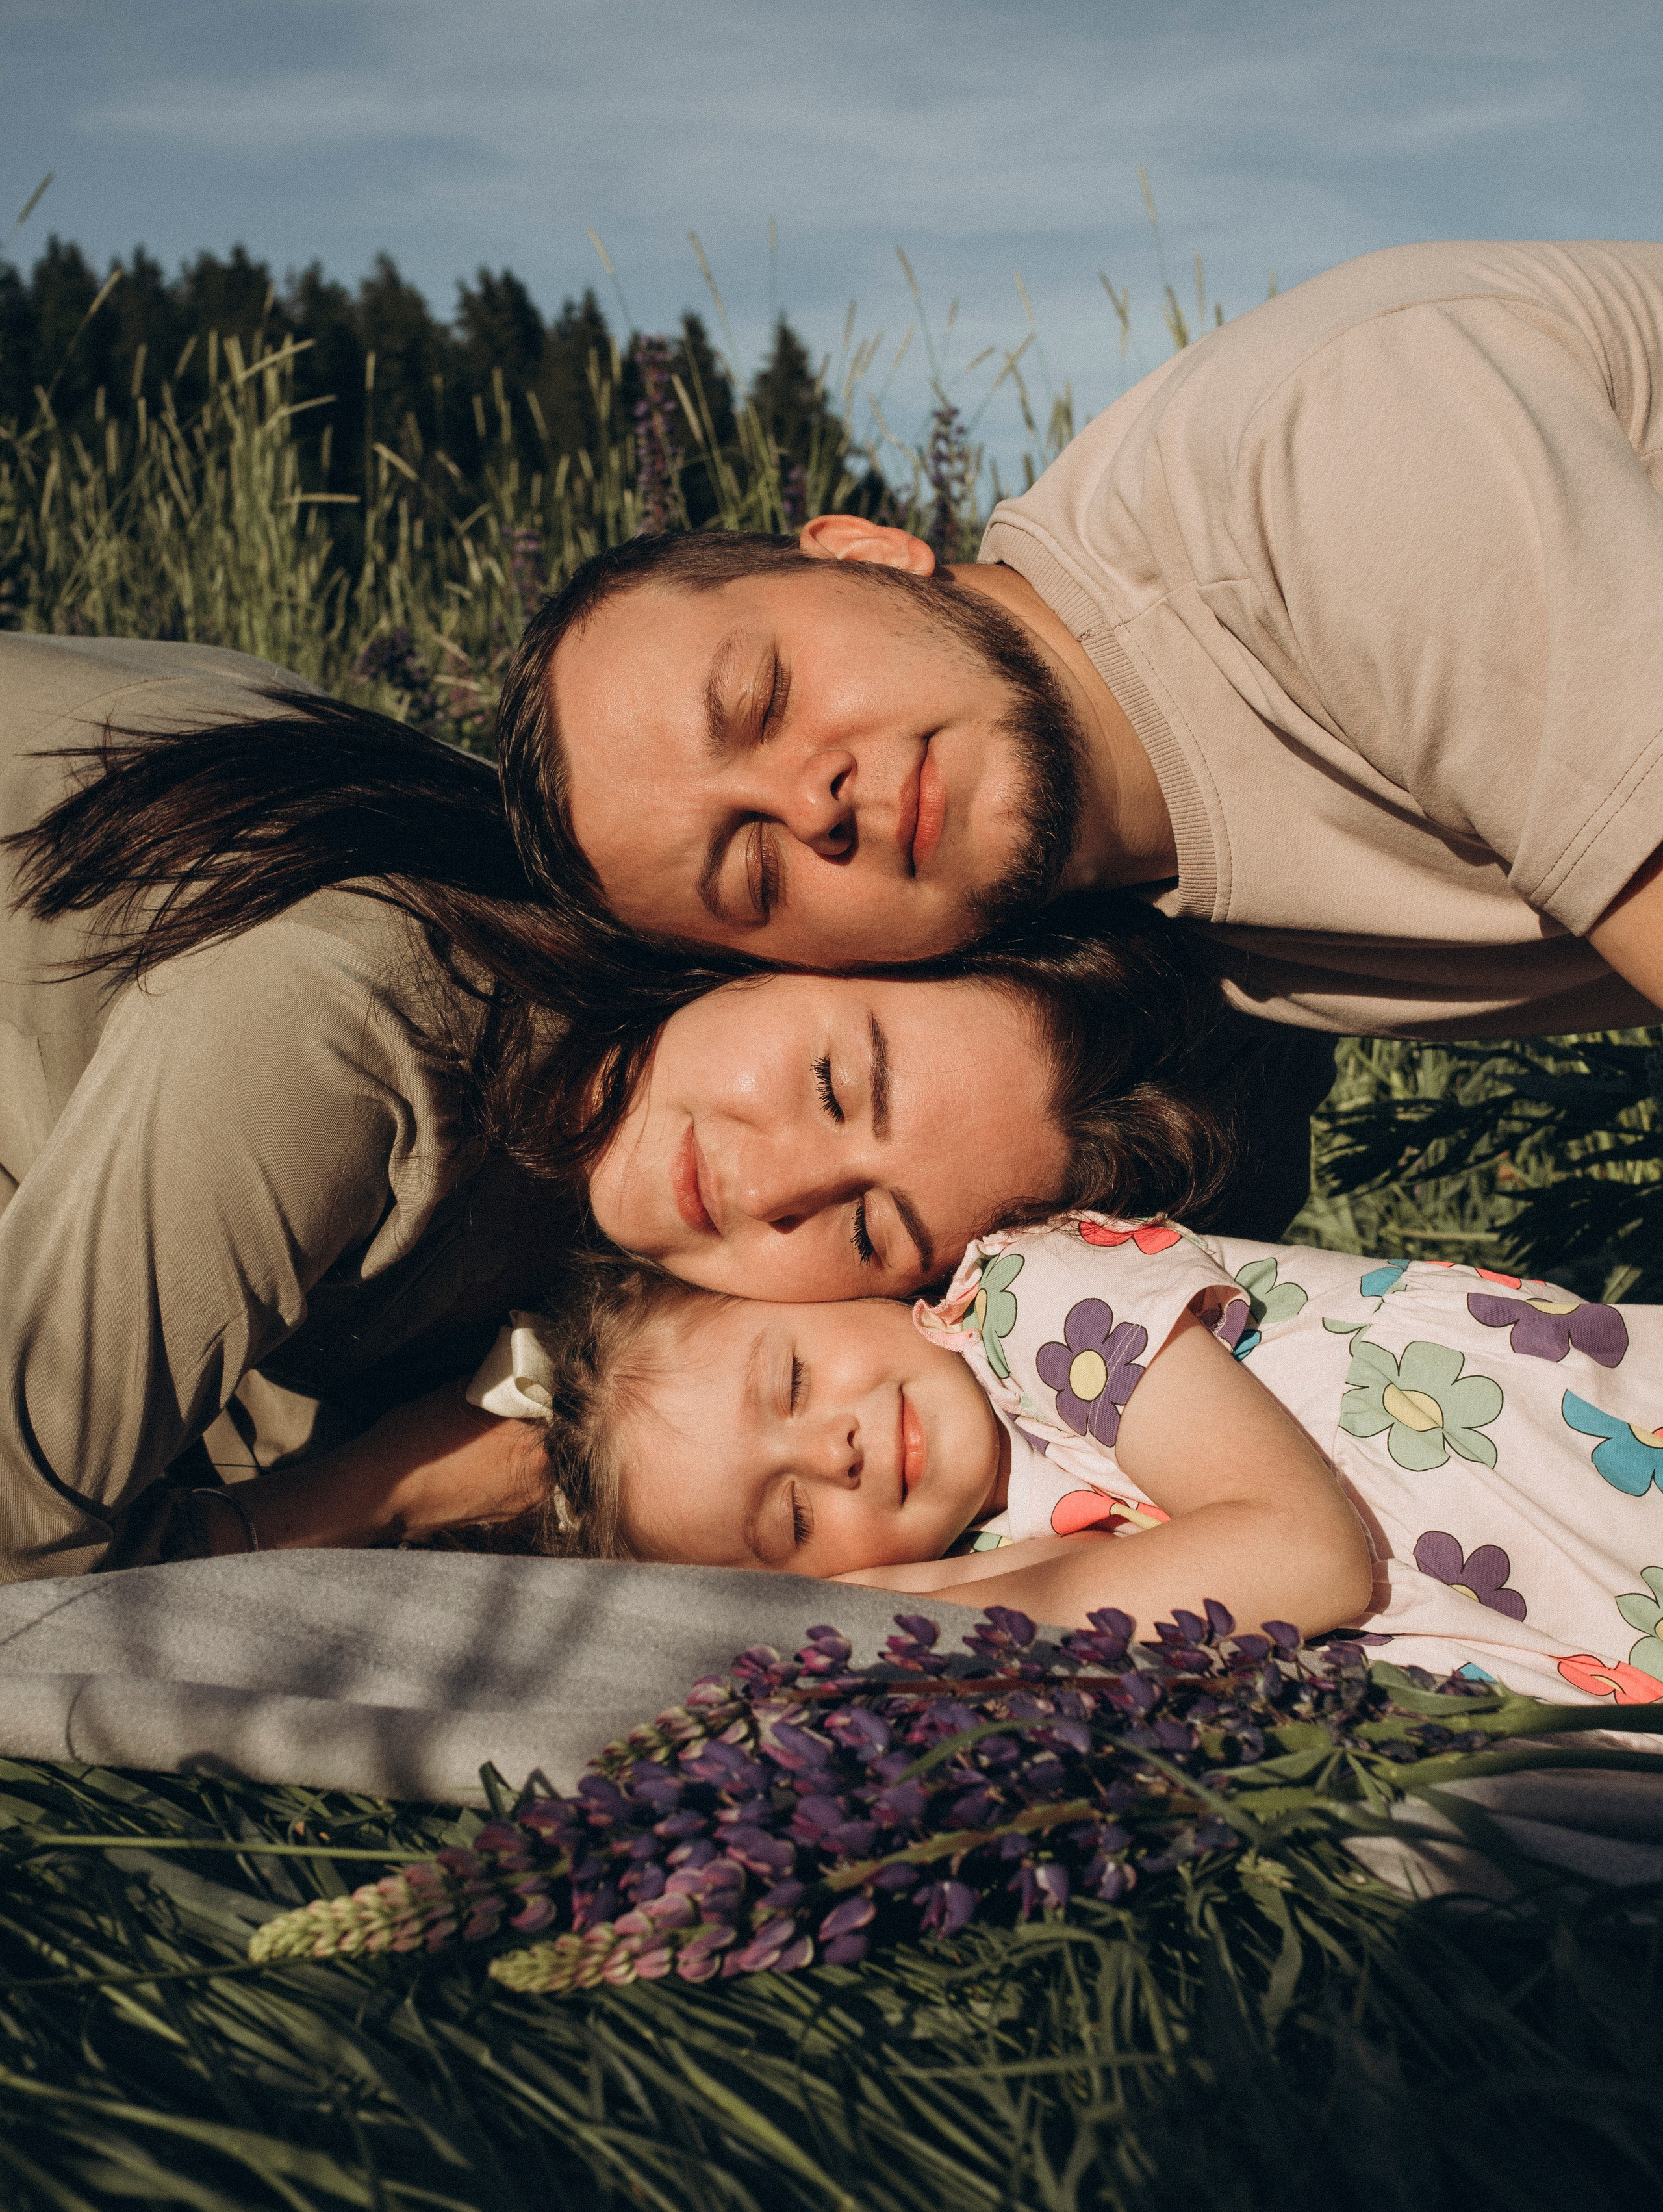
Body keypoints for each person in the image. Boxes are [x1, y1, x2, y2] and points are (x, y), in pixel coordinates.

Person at [0, 629, 1232, 1581]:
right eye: (829, 1083)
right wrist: (402, 1483)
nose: (779, 1185)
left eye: (869, 1231)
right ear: (790, 938)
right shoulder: (354, 1023)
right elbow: (34, 1579)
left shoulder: (610, 1120)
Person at [495, 238, 1663, 1036]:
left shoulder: (1320, 468)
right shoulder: (1146, 935)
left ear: (867, 548)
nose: (814, 805)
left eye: (765, 700)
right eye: (755, 872)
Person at [450, 1214, 1663, 1710]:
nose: (839, 1450)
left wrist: (890, 1605)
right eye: (791, 1523)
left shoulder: (1031, 1296)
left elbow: (1308, 1554)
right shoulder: (996, 1555)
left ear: (833, 1289)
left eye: (795, 1382)